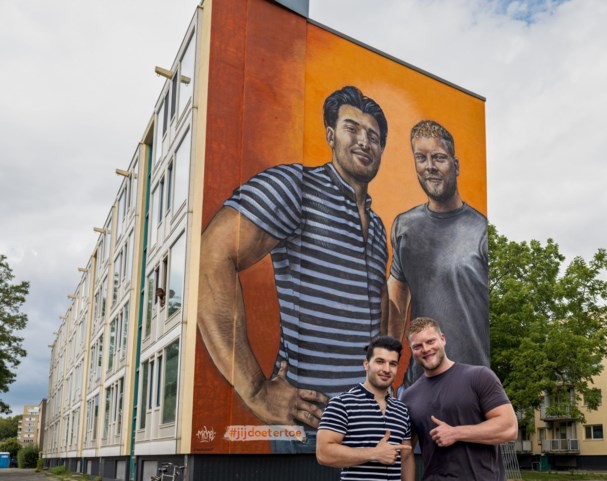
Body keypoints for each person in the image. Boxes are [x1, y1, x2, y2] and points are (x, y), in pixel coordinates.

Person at [197, 86, 390, 451]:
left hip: (367, 432)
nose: (365, 141)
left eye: (374, 136)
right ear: (331, 134)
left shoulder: (379, 228)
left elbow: (378, 311)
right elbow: (212, 255)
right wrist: (254, 389)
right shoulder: (296, 186)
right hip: (307, 436)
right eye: (353, 128)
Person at [387, 120, 489, 386]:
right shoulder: (403, 226)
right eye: (421, 158)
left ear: (455, 166)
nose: (429, 166)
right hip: (417, 385)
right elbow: (397, 298)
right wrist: (387, 365)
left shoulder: (482, 230)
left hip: (471, 384)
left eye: (439, 158)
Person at [401, 317, 517, 481]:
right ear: (412, 350)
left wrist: (456, 433)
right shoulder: (408, 396)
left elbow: (509, 428)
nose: (426, 349)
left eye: (430, 341)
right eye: (418, 346)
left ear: (443, 339)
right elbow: (405, 451)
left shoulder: (479, 376)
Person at [317, 336, 414, 481]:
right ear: (366, 364)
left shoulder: (402, 410)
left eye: (393, 364)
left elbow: (405, 458)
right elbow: (323, 453)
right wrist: (374, 453)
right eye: (380, 362)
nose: (386, 369)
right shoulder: (342, 404)